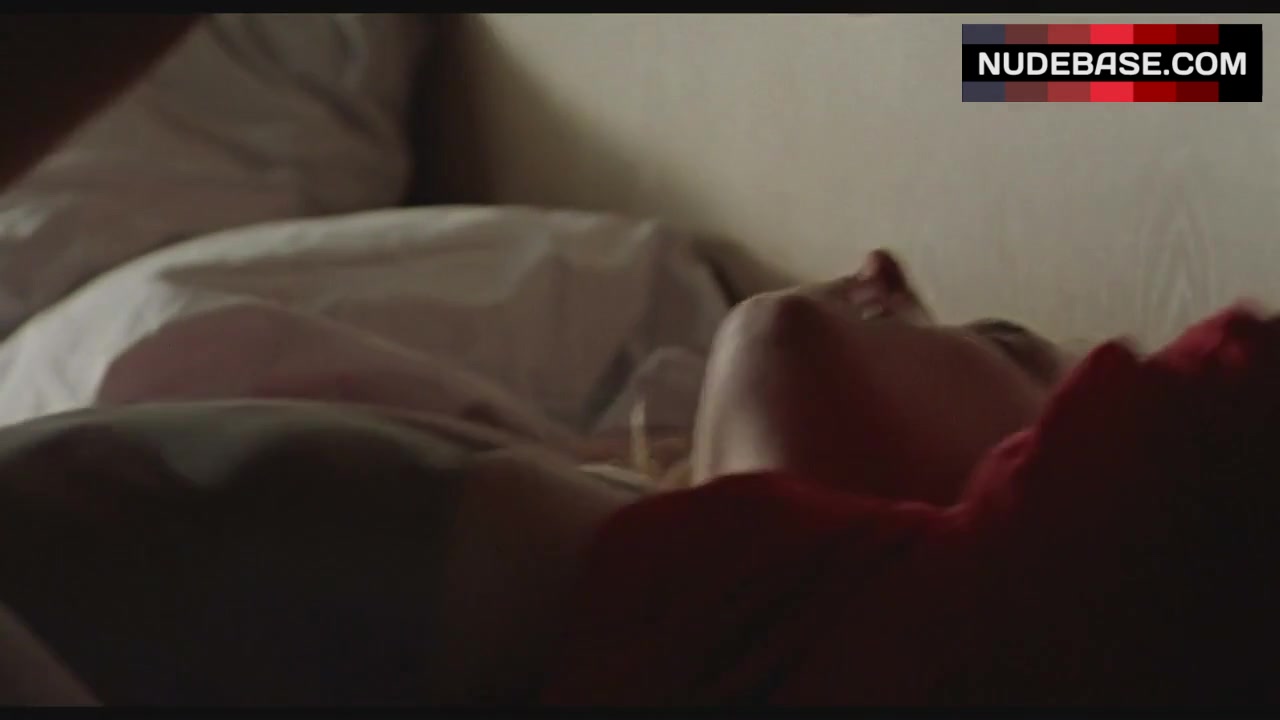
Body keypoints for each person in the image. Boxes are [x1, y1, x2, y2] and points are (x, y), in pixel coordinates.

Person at [1, 14, 1277, 707]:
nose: (881, 267)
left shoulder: (971, 635)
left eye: (999, 343)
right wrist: (1014, 53)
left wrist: (1077, 56)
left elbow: (1217, 57)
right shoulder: (669, 569)